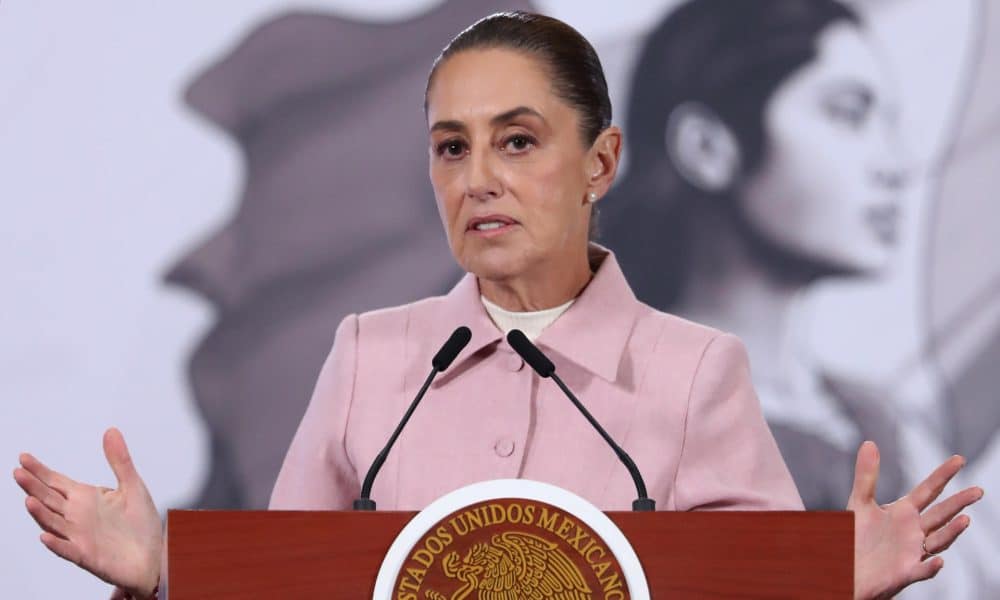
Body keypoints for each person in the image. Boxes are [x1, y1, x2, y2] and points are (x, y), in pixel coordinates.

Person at [12, 11, 983, 600]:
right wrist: (164, 568)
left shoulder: (699, 371)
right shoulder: (368, 354)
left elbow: (743, 580)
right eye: (450, 146)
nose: (478, 179)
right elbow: (294, 576)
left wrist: (827, 580)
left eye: (517, 142)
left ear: (599, 162)